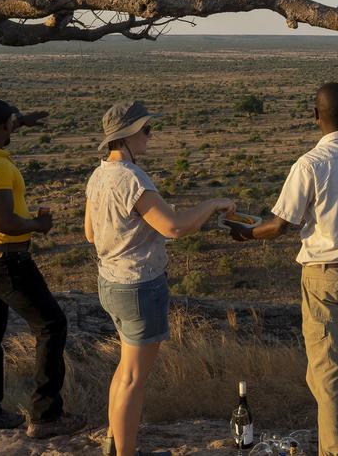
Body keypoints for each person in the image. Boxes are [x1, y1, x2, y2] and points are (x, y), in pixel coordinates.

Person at [231, 82, 338, 456]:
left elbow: (279, 225)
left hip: (323, 275)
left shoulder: (310, 164)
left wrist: (246, 232)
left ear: (315, 117)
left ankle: (335, 451)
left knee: (327, 372)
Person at [85, 100, 235, 456]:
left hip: (110, 282)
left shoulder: (99, 174)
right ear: (128, 136)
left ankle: (113, 438)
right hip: (138, 285)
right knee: (134, 378)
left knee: (125, 370)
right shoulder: (132, 178)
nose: (150, 138)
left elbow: (90, 233)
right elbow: (174, 227)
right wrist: (211, 205)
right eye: (147, 131)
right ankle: (126, 451)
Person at [0, 98, 85, 438]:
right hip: (8, 259)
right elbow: (5, 221)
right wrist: (39, 225)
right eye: (11, 123)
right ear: (3, 127)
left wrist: (18, 120)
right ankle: (46, 416)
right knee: (52, 325)